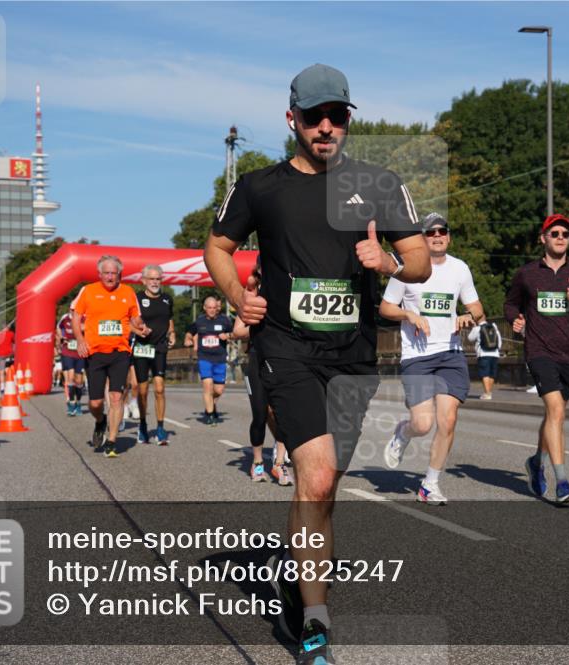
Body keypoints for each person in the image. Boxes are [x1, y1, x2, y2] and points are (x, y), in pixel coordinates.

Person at [204, 63, 430, 663]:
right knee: (319, 475)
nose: (325, 127)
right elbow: (217, 245)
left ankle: (300, 582)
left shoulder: (381, 183)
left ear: (347, 120)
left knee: (323, 491)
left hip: (352, 355)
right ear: (292, 120)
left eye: (336, 116)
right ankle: (316, 620)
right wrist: (237, 296)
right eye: (313, 117)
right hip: (284, 348)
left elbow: (419, 262)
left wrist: (386, 263)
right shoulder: (258, 187)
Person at [380, 212, 485, 505]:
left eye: (442, 231)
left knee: (448, 420)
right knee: (423, 424)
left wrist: (469, 316)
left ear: (449, 237)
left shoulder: (460, 269)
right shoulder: (407, 269)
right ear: (423, 239)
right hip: (418, 356)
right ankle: (404, 432)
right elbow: (386, 308)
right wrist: (408, 314)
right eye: (430, 232)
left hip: (450, 353)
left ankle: (430, 484)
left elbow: (478, 309)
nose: (437, 236)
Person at [503, 214, 569, 502]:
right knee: (556, 412)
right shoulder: (527, 274)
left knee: (553, 415)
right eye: (555, 232)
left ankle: (536, 462)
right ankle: (563, 482)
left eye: (566, 234)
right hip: (539, 352)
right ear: (543, 238)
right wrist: (515, 319)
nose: (561, 237)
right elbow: (510, 304)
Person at [72, 255, 145, 458]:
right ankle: (99, 421)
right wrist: (79, 339)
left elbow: (135, 316)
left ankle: (112, 441)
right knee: (95, 403)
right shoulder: (88, 291)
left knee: (115, 397)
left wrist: (140, 324)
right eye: (106, 273)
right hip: (94, 353)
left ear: (119, 274)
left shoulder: (128, 292)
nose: (110, 277)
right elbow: (76, 316)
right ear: (99, 274)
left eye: (114, 273)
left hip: (120, 352)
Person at [232, 264, 292, 485]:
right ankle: (257, 463)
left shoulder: (288, 293)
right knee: (259, 414)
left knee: (283, 414)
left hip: (283, 360)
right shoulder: (252, 296)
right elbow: (238, 330)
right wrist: (263, 327)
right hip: (257, 359)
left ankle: (279, 464)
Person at [132, 264, 176, 445]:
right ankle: (142, 425)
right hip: (142, 348)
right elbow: (129, 321)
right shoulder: (137, 299)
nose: (155, 282)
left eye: (158, 279)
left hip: (159, 347)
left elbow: (169, 319)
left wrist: (172, 333)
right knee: (142, 391)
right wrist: (138, 330)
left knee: (159, 388)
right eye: (151, 279)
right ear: (143, 281)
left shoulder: (167, 299)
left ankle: (160, 427)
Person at [185, 296, 233, 426]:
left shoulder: (225, 321)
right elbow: (189, 333)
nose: (212, 310)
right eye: (209, 308)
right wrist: (188, 340)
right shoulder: (199, 322)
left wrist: (228, 336)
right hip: (204, 358)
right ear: (204, 308)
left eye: (214, 308)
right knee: (207, 385)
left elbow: (234, 333)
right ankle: (210, 415)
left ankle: (210, 405)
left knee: (218, 390)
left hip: (220, 359)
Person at [56, 310, 87, 416]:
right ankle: (71, 403)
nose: (73, 311)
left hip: (80, 352)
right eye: (71, 310)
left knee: (79, 380)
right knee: (71, 377)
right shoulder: (65, 318)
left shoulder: (84, 317)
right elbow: (59, 327)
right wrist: (61, 337)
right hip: (67, 351)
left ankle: (78, 402)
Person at [468, 319, 502, 400]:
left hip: (483, 353)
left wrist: (473, 327)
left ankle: (487, 393)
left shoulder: (478, 328)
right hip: (495, 353)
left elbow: (470, 338)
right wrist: (497, 349)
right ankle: (488, 392)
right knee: (492, 374)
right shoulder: (494, 326)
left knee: (485, 373)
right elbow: (499, 341)